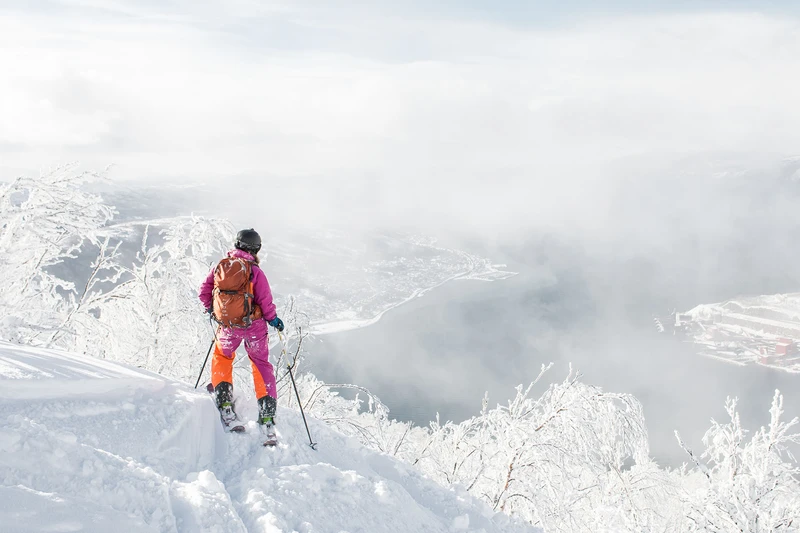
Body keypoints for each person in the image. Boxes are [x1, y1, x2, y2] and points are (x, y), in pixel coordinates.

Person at [198, 228, 284, 438]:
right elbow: (265, 301)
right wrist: (273, 319)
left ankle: (225, 402)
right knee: (261, 364)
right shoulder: (255, 272)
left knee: (222, 357)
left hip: (227, 326)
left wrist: (213, 310)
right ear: (257, 249)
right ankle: (266, 414)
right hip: (253, 327)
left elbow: (204, 292)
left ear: (236, 245)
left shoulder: (221, 266)